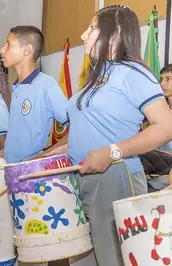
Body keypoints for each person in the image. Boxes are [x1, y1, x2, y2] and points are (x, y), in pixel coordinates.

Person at [45, 6, 172, 266]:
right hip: (78, 178)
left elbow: (165, 126)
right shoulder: (95, 77)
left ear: (114, 34)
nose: (83, 35)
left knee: (114, 260)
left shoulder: (133, 73)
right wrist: (53, 153)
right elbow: (90, 128)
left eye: (91, 28)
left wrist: (112, 152)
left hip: (114, 176)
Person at [0, 26, 69, 163]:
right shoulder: (17, 87)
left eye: (9, 45)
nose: (2, 50)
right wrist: (7, 152)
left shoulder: (46, 85)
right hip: (12, 170)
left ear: (27, 50)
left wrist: (43, 156)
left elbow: (76, 127)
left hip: (32, 173)